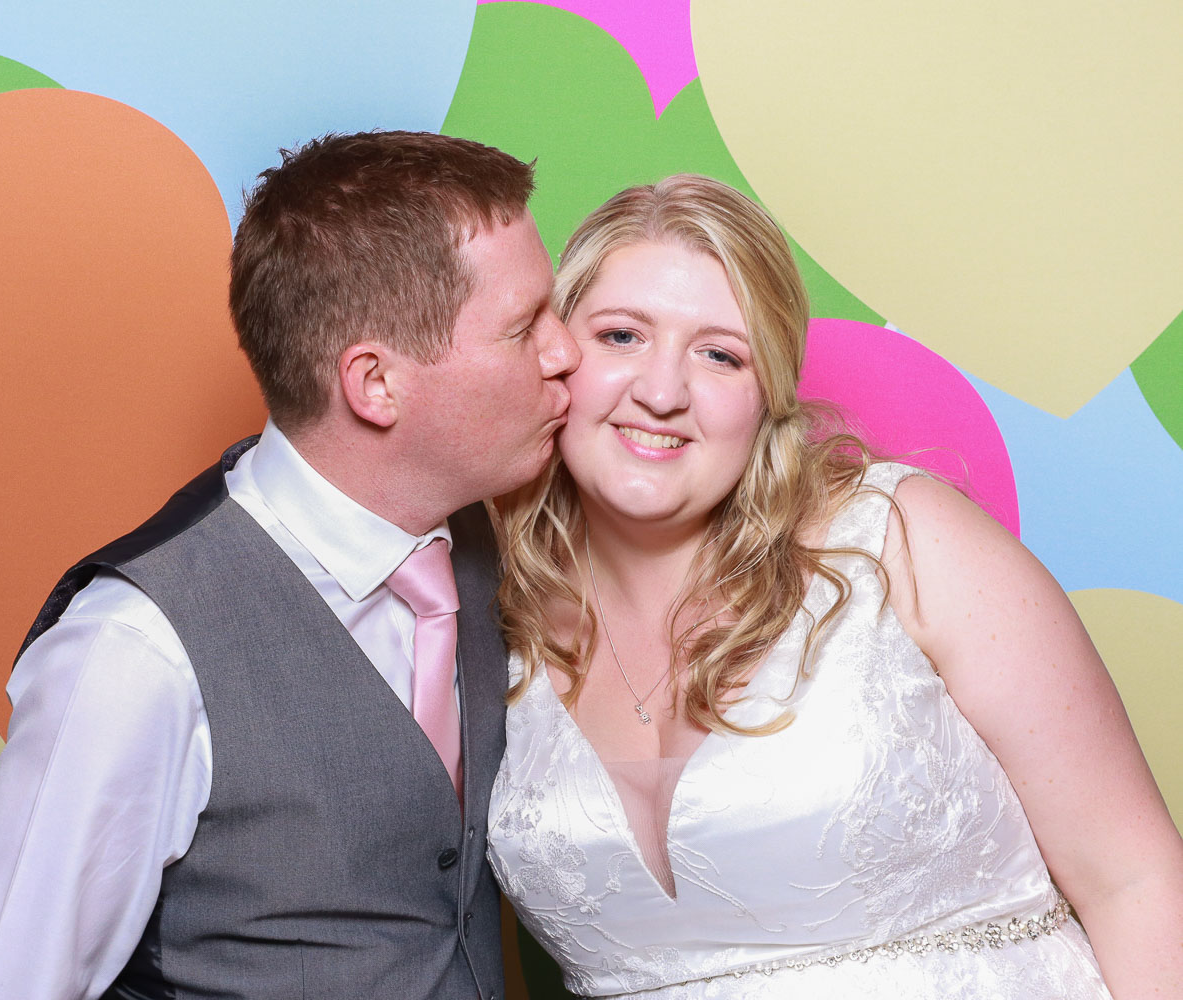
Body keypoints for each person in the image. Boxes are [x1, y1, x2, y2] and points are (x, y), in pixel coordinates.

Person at [486, 173, 1183, 998]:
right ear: (554, 354)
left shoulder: (903, 542)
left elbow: (1135, 880)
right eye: (621, 336)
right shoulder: (475, 616)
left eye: (720, 354)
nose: (662, 392)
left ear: (767, 395)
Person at [0, 130, 580, 1000]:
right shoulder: (136, 652)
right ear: (375, 384)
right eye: (524, 327)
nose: (566, 352)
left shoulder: (486, 545)